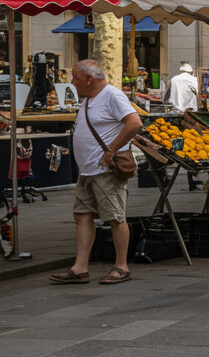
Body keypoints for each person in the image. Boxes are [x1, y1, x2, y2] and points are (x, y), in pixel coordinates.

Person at [50, 60, 141, 286]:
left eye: (75, 78)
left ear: (89, 79)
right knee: (82, 215)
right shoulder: (88, 99)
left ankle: (122, 266)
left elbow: (134, 123)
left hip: (105, 170)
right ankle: (80, 268)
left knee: (115, 216)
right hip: (87, 170)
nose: (72, 83)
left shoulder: (112, 95)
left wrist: (111, 150)